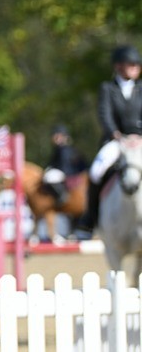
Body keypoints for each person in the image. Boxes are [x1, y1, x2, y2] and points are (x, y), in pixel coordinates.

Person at [76, 44, 142, 236]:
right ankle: (91, 219)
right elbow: (104, 113)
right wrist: (115, 133)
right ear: (119, 67)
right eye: (131, 65)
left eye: (136, 65)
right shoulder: (107, 88)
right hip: (117, 141)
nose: (135, 68)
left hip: (139, 140)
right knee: (96, 172)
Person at [41, 125, 86, 207]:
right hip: (69, 173)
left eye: (57, 135)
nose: (55, 138)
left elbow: (63, 165)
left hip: (66, 174)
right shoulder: (68, 148)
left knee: (48, 177)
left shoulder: (63, 149)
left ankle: (61, 195)